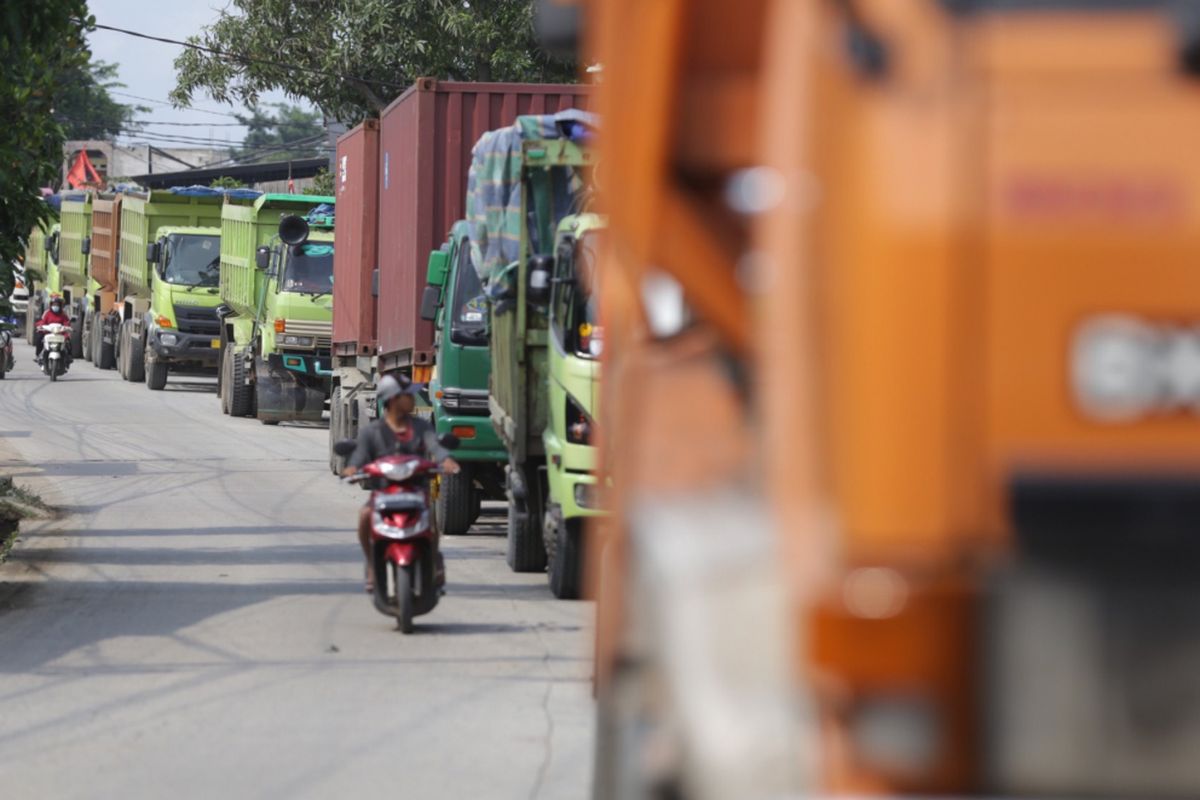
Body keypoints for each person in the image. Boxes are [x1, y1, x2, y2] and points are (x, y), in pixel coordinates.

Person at [343, 374, 460, 591]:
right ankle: (371, 563)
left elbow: (435, 447)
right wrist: (351, 468)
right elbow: (360, 455)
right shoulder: (372, 431)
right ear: (393, 399)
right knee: (365, 516)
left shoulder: (422, 428)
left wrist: (446, 460)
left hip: (416, 492)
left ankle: (433, 561)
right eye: (408, 395)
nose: (413, 399)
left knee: (431, 525)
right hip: (384, 494)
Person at [34, 296, 70, 362]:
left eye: (57, 305)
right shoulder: (47, 313)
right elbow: (42, 321)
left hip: (60, 333)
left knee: (68, 341)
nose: (55, 306)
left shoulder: (63, 314)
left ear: (60, 305)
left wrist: (68, 328)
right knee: (39, 338)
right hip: (48, 332)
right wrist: (40, 326)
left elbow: (66, 323)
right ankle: (38, 355)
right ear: (51, 305)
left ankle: (68, 357)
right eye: (54, 304)